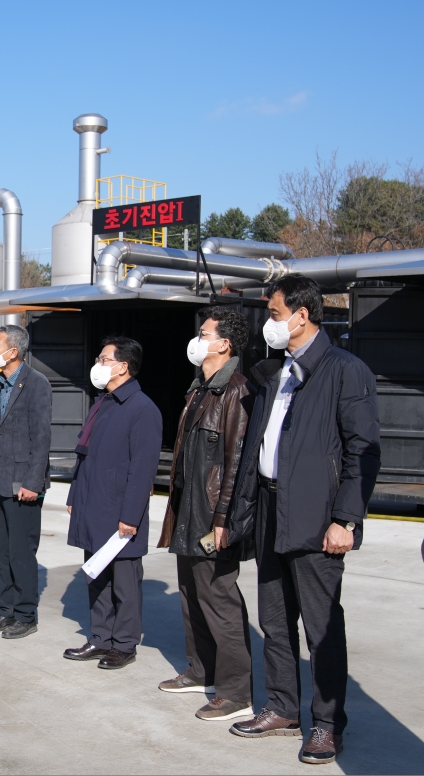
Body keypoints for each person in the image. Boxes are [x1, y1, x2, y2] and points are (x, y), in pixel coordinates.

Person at [226, 274, 380, 765]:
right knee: (275, 620)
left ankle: (328, 724)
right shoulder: (278, 373)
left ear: (301, 315)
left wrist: (346, 519)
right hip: (272, 509)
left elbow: (362, 452)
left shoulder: (344, 371)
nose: (269, 323)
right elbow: (259, 446)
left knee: (321, 628)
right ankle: (282, 707)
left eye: (273, 314)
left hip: (318, 519)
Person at [156, 307, 256, 721]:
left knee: (220, 601)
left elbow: (235, 461)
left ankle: (236, 692)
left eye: (204, 333)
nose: (197, 340)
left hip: (212, 514)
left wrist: (223, 519)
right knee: (191, 596)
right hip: (189, 509)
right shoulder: (199, 388)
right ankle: (201, 671)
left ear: (224, 344)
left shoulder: (235, 390)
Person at [64, 336, 162, 670]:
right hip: (93, 505)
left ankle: (124, 644)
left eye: (104, 359)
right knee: (97, 577)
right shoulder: (103, 402)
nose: (98, 364)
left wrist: (131, 516)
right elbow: (85, 455)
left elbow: (142, 469)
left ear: (123, 366)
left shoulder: (142, 409)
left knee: (124, 583)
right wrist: (74, 495)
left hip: (120, 511)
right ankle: (100, 637)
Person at [0, 324, 52, 639]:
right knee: (0, 551)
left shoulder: (36, 384)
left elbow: (41, 437)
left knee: (21, 551)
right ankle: (5, 611)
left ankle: (25, 614)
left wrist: (33, 482)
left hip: (23, 483)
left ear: (13, 351)